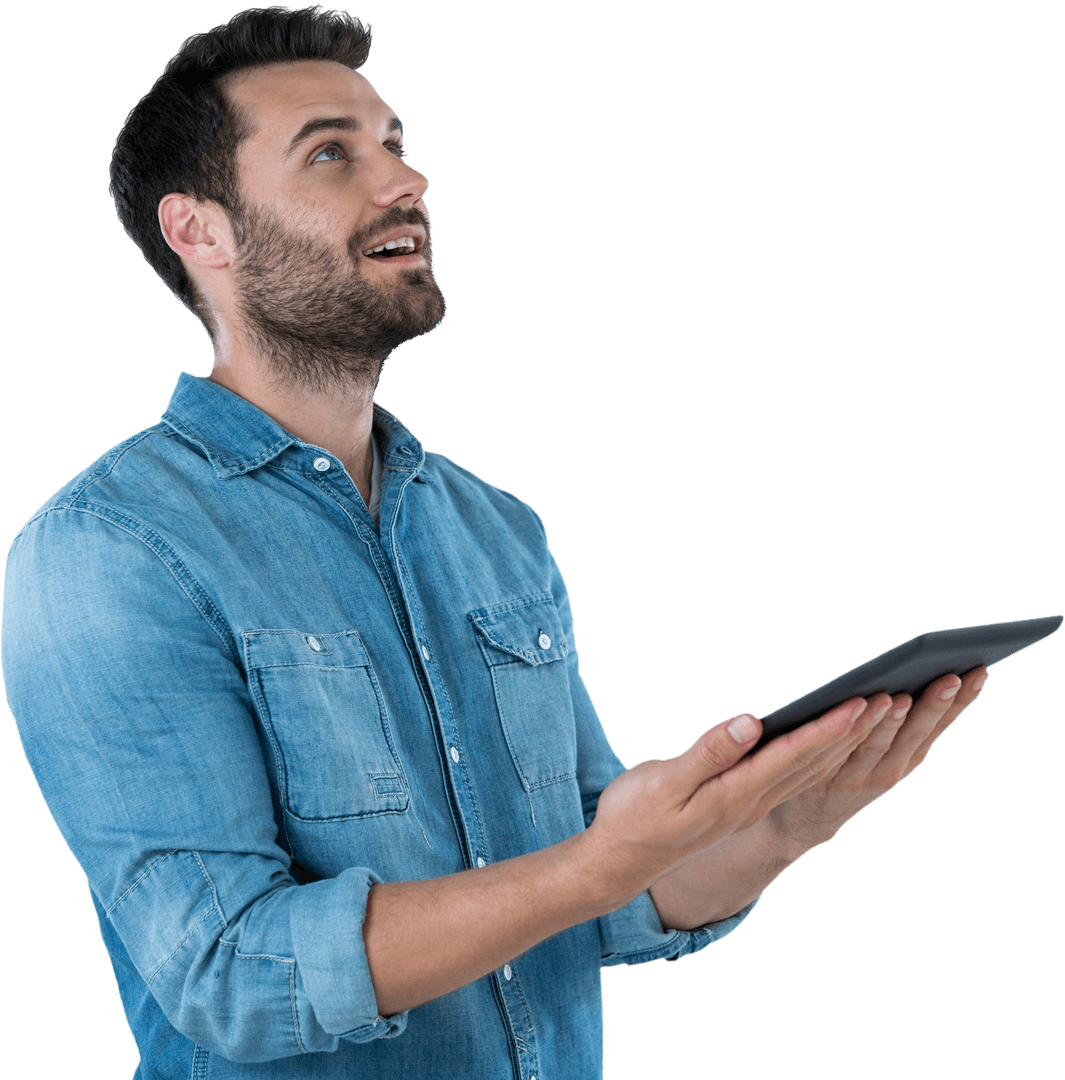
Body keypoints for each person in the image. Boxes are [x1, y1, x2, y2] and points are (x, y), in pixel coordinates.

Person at [1, 7, 988, 1078]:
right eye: (332, 152)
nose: (404, 180)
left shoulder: (494, 529)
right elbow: (227, 971)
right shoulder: (108, 552)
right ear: (200, 231)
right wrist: (591, 871)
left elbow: (606, 893)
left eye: (395, 141)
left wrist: (783, 829)